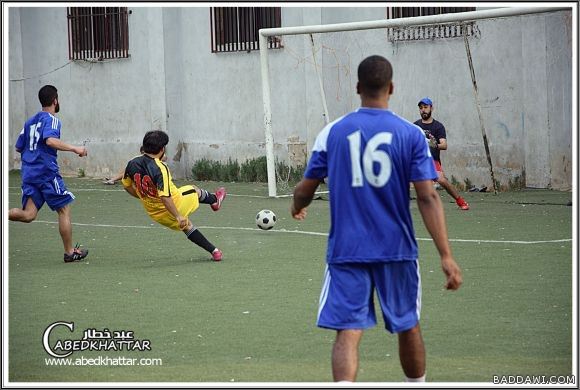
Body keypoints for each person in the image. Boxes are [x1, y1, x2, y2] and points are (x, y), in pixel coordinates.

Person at [291, 55, 462, 382]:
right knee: (407, 323)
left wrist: (297, 204)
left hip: (347, 250)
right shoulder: (410, 135)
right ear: (391, 88)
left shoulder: (333, 132)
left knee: (348, 331)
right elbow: (427, 196)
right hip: (396, 248)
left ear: (357, 88)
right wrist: (445, 255)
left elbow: (306, 188)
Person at [9, 85, 89, 263]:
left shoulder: (29, 122)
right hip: (46, 173)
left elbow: (18, 146)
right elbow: (51, 140)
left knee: (29, 214)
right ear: (55, 100)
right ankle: (69, 252)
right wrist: (76, 148)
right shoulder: (52, 120)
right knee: (63, 209)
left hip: (29, 173)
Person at [121, 130, 226, 261]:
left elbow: (127, 185)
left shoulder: (132, 163)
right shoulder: (161, 168)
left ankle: (215, 252)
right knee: (193, 190)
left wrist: (143, 196)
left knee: (187, 227)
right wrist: (178, 215)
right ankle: (215, 200)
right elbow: (165, 197)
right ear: (162, 149)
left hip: (154, 213)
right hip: (174, 204)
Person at [414, 97, 470, 210]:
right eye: (421, 108)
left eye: (425, 107)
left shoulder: (438, 126)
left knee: (441, 180)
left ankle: (460, 201)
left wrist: (434, 145)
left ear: (431, 108)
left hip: (432, 160)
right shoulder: (415, 125)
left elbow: (444, 145)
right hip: (418, 160)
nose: (423, 110)